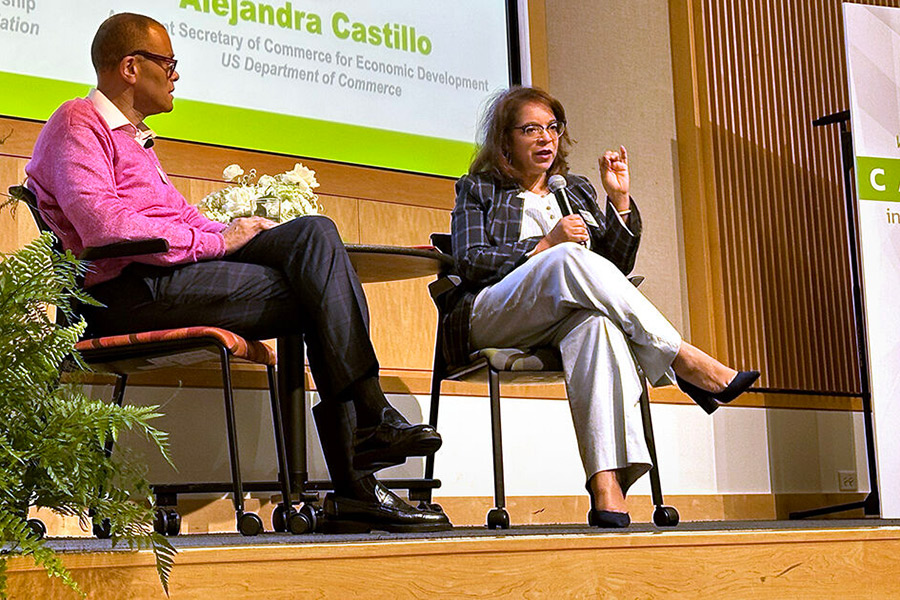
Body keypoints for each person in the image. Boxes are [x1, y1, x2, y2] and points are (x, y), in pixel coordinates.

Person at [25, 12, 450, 533]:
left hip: (165, 278)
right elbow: (105, 229)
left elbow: (181, 221)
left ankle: (370, 429)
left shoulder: (136, 139)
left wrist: (240, 228)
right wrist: (215, 240)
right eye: (170, 63)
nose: (176, 74)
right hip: (122, 293)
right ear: (132, 67)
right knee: (323, 293)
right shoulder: (77, 122)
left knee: (315, 235)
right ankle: (363, 462)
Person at [447, 86, 759, 528]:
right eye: (531, 129)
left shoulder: (572, 190)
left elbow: (610, 270)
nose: (546, 139)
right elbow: (470, 261)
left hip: (558, 319)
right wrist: (544, 244)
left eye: (552, 128)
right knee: (567, 258)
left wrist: (619, 201)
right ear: (505, 141)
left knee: (598, 325)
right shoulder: (478, 188)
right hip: (494, 314)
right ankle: (683, 358)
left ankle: (606, 485)